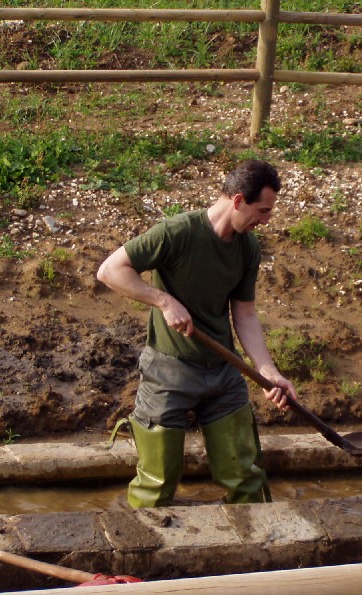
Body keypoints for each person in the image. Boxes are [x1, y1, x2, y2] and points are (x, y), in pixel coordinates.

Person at [96, 159, 297, 508]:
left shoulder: (248, 248)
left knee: (247, 480)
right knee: (156, 487)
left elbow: (245, 314)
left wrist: (268, 373)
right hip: (168, 372)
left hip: (223, 371)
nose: (266, 221)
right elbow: (110, 270)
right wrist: (163, 301)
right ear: (237, 201)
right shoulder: (178, 233)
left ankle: (252, 555)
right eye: (262, 211)